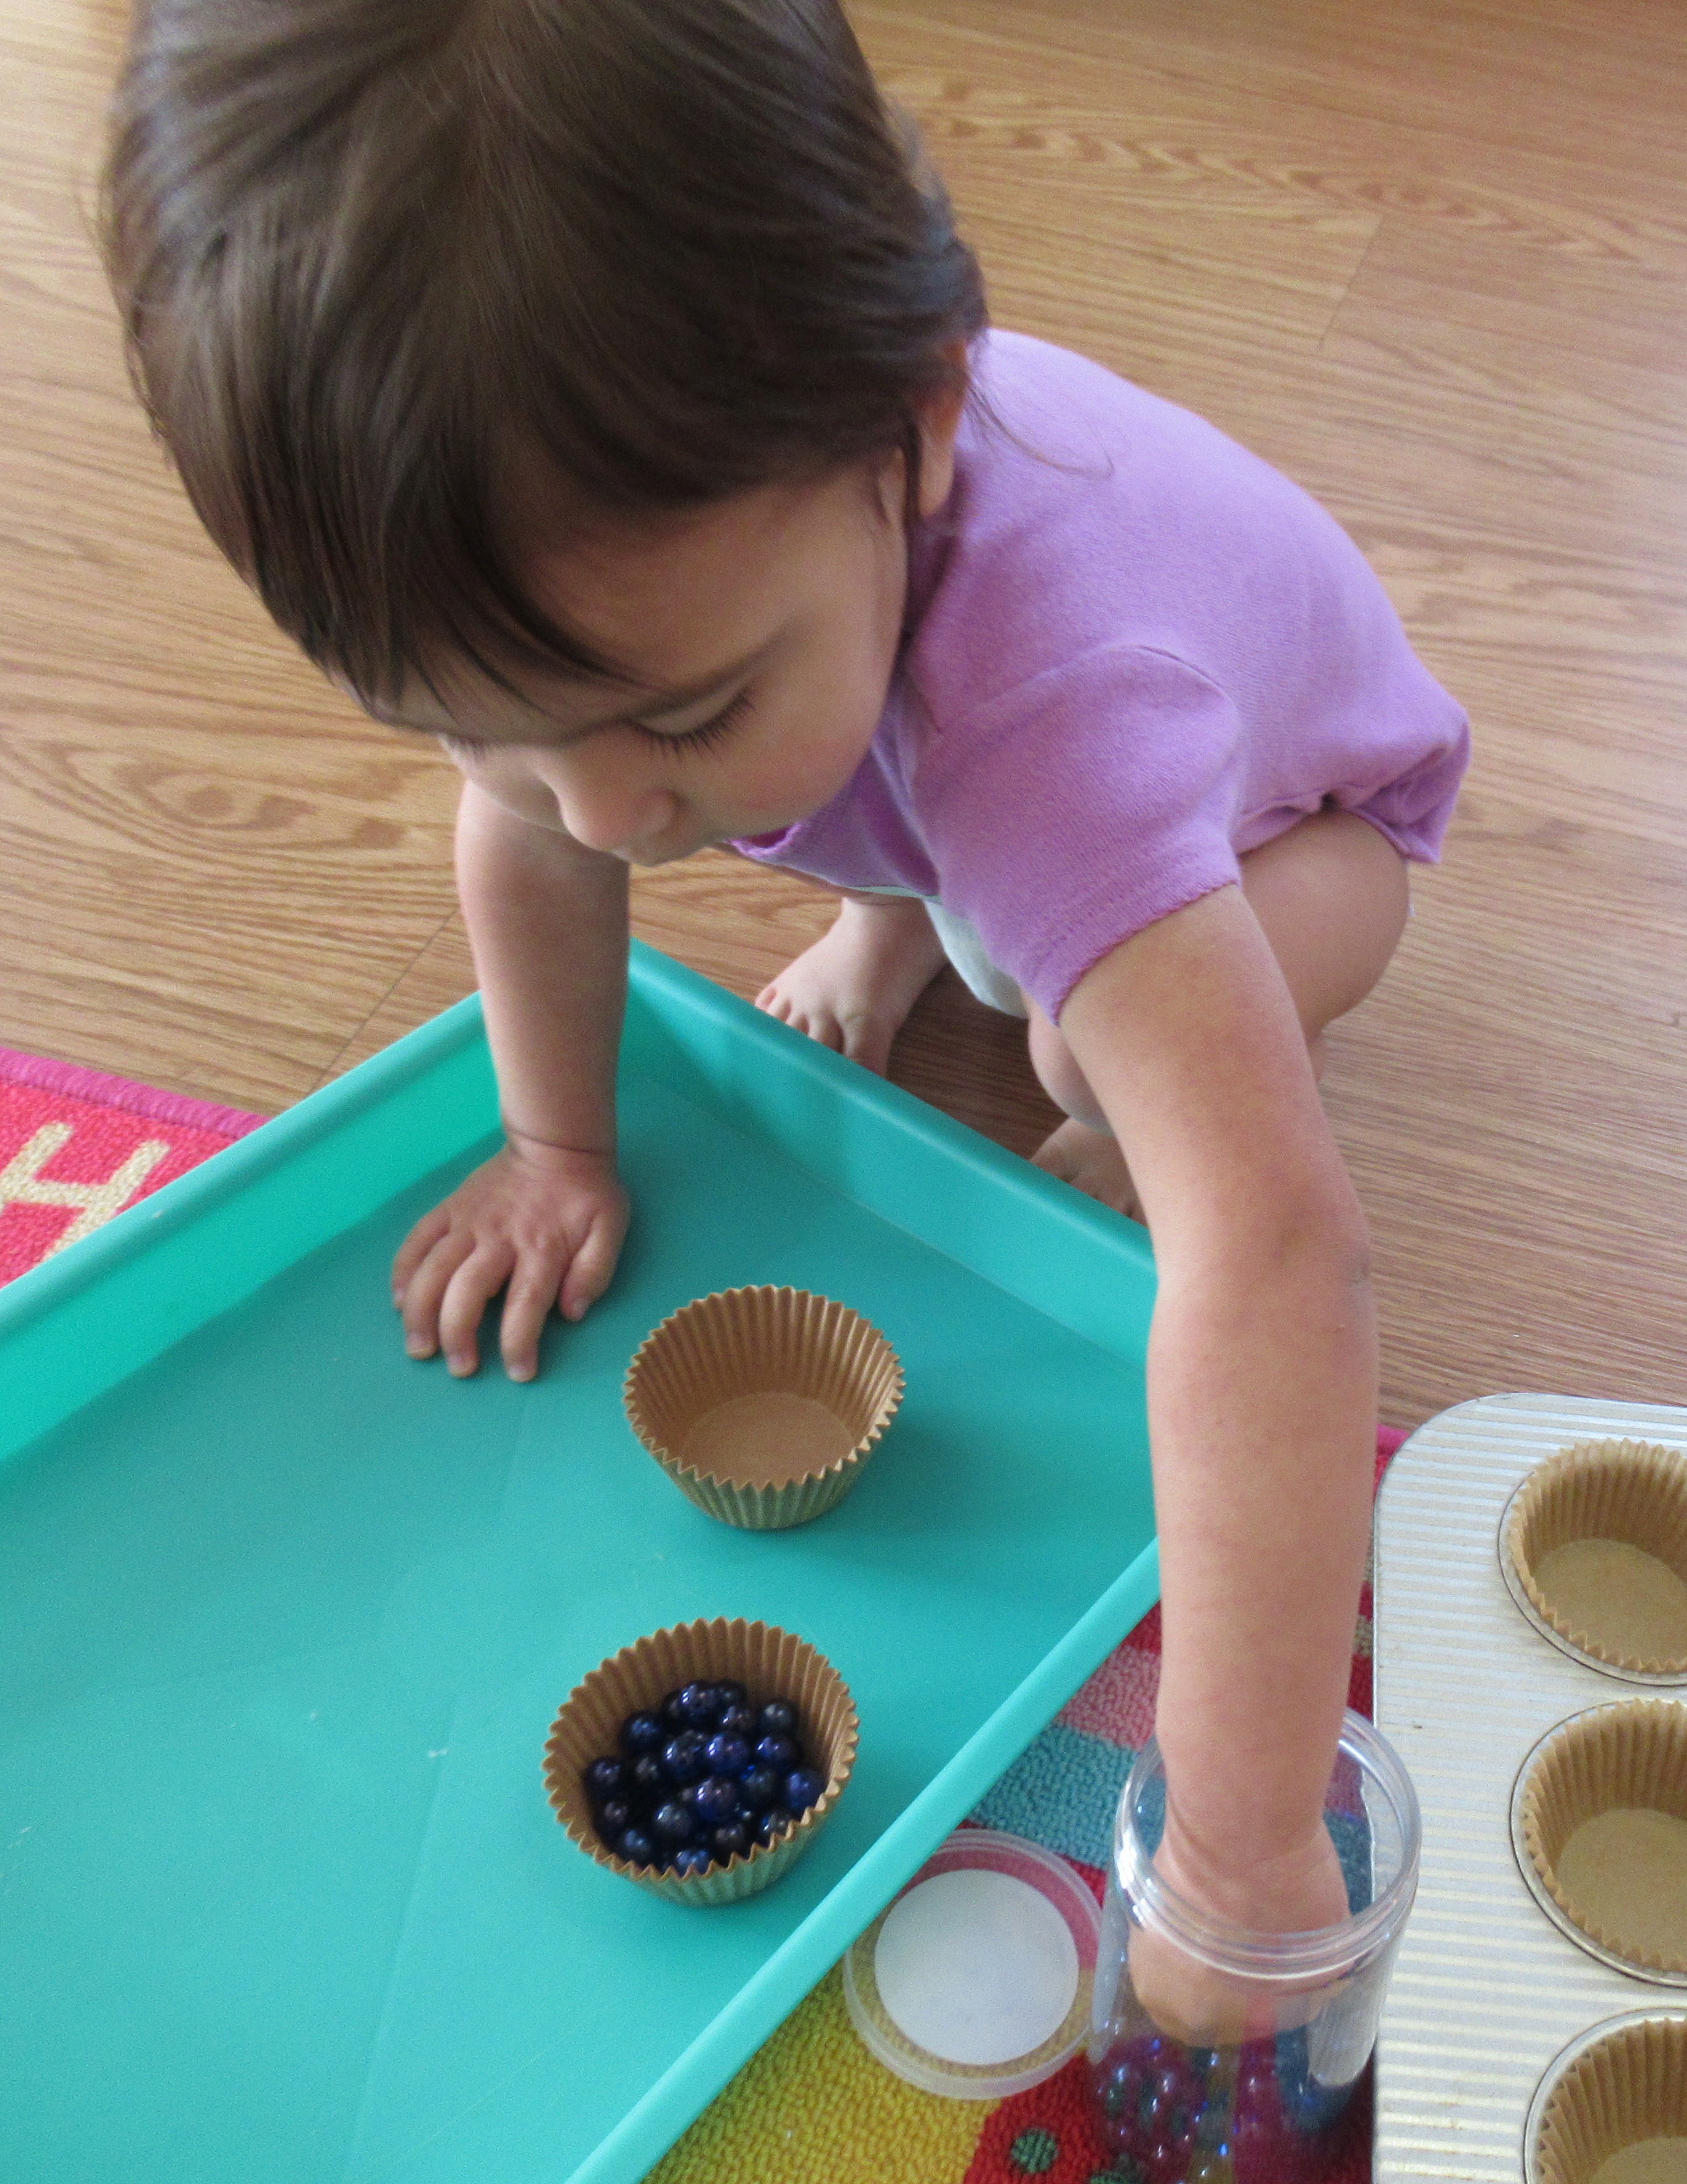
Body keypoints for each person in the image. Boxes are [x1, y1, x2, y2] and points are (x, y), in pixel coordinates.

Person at [102, 0, 1466, 1959]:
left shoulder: (1062, 718)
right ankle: (900, 890)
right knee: (814, 815)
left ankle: (992, 937)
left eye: (686, 707)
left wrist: (1248, 1851)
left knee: (1079, 1047)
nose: (596, 808)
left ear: (911, 435)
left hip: (1299, 825)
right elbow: (555, 817)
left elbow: (1277, 1259)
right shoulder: (650, 652)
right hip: (945, 761)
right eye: (470, 726)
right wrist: (555, 1142)